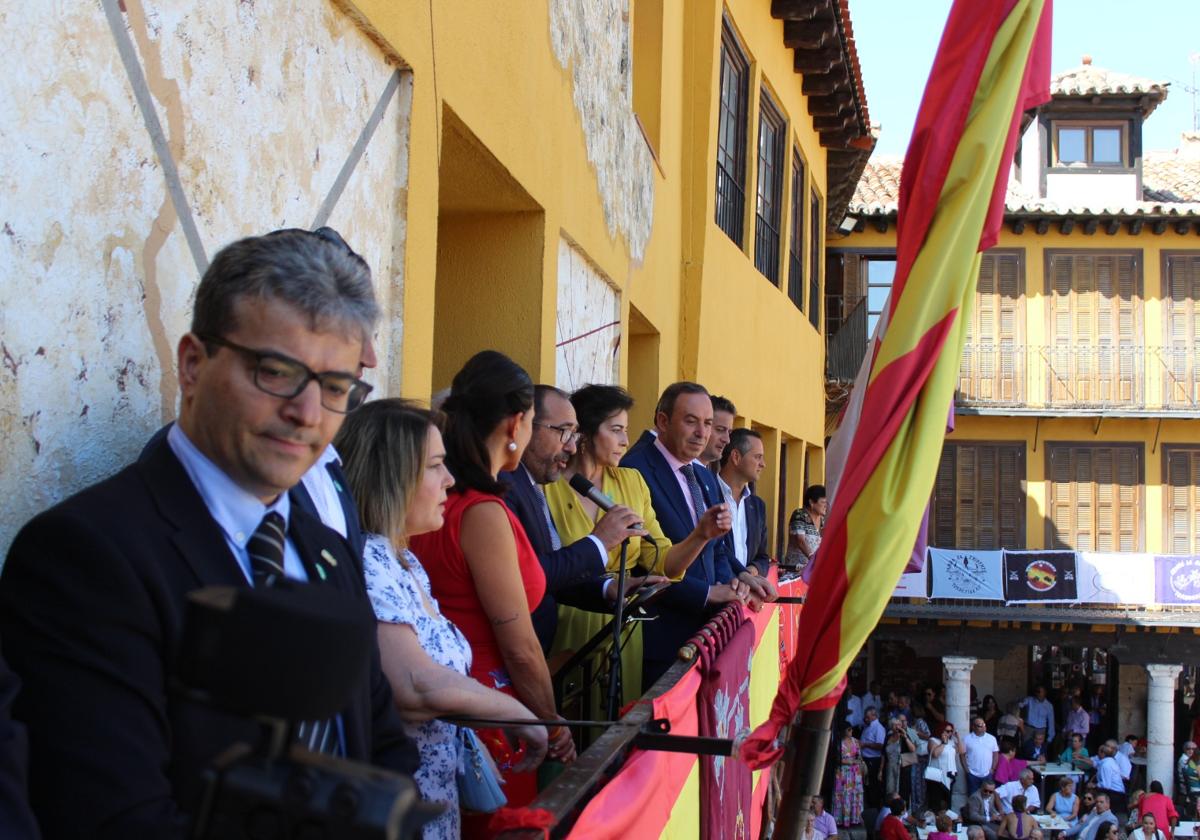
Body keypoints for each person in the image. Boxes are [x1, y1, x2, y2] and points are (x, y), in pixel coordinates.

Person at [0, 229, 421, 835]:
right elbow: (116, 818)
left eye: (334, 388)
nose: (307, 413)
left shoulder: (328, 549)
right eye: (277, 372)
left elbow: (381, 745)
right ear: (194, 363)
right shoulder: (86, 553)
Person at [336, 399, 550, 838]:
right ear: (393, 475)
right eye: (436, 466)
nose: (450, 480)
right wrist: (520, 714)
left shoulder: (404, 562)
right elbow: (415, 685)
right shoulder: (367, 559)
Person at [409, 350, 576, 825]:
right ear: (517, 424)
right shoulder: (480, 511)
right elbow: (519, 646)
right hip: (491, 709)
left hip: (462, 698)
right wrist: (548, 719)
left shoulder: (441, 497)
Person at [546, 384, 719, 705]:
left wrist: (700, 535)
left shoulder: (631, 481)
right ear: (583, 433)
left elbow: (662, 561)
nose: (626, 440)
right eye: (616, 430)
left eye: (626, 430)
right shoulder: (548, 488)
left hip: (624, 631)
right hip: (569, 626)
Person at [499, 384, 648, 653]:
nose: (571, 445)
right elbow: (529, 577)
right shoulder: (505, 486)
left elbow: (549, 572)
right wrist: (600, 542)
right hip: (517, 652)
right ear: (524, 427)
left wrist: (608, 589)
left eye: (574, 433)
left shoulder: (531, 483)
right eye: (563, 432)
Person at [620, 381, 749, 686]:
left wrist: (732, 582)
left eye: (707, 424)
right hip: (662, 637)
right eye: (691, 421)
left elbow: (716, 546)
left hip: (705, 634)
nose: (702, 433)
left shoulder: (703, 473)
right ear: (662, 421)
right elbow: (642, 562)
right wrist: (706, 594)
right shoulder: (634, 470)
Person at [717, 429, 777, 585]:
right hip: (716, 594)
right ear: (736, 457)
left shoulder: (757, 506)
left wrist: (751, 571)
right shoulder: (707, 494)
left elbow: (763, 557)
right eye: (758, 457)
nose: (763, 464)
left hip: (746, 598)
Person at [785, 484, 826, 568]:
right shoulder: (800, 515)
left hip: (813, 569)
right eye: (823, 502)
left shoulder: (822, 520)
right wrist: (813, 559)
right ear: (811, 502)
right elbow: (800, 541)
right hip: (797, 569)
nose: (826, 506)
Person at [928, 721, 965, 812]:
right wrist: (943, 743)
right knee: (936, 799)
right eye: (947, 731)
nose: (949, 733)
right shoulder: (933, 740)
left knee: (947, 800)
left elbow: (961, 751)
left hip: (948, 775)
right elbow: (935, 754)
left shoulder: (951, 742)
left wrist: (958, 737)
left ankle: (945, 820)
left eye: (951, 731)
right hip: (937, 775)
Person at [833, 723, 865, 826]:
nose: (851, 731)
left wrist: (858, 762)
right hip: (843, 772)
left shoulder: (856, 741)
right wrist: (849, 762)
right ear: (844, 731)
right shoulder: (839, 743)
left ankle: (855, 819)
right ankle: (841, 820)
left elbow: (860, 756)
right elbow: (836, 759)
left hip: (855, 772)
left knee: (855, 794)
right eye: (849, 730)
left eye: (851, 729)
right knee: (843, 794)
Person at [965, 716, 1001, 794]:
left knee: (988, 797)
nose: (983, 727)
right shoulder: (966, 738)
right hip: (972, 774)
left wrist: (993, 769)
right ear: (973, 727)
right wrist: (967, 770)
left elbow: (995, 754)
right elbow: (962, 755)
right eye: (979, 725)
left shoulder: (992, 738)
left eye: (984, 725)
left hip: (987, 774)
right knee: (973, 796)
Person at [885, 713, 918, 798]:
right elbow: (883, 753)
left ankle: (903, 808)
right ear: (891, 726)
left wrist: (905, 737)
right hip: (891, 767)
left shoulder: (905, 735)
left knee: (903, 790)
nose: (898, 727)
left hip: (903, 767)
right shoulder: (888, 735)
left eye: (899, 725)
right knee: (890, 791)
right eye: (895, 725)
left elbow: (913, 749)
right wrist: (880, 770)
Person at [700, 395, 736, 470]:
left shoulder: (711, 476)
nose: (727, 440)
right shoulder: (681, 472)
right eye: (720, 429)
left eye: (729, 432)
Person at [862, 706, 887, 808]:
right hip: (865, 759)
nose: (866, 719)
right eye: (865, 717)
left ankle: (874, 807)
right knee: (867, 784)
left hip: (873, 760)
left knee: (873, 784)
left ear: (874, 716)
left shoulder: (878, 728)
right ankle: (869, 805)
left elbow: (880, 745)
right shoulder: (867, 726)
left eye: (868, 717)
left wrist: (865, 744)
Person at [1093, 742, 1128, 814]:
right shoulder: (1110, 761)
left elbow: (1106, 785)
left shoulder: (1106, 764)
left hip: (1114, 794)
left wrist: (1094, 785)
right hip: (1117, 794)